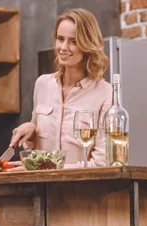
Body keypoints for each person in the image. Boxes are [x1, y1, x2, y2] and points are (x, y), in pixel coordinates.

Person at [9, 8, 112, 169]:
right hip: (41, 191)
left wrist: (48, 168)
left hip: (81, 191)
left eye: (73, 41)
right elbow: (37, 151)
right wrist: (32, 131)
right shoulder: (42, 84)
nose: (63, 47)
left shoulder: (105, 93)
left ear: (88, 44)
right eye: (60, 39)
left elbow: (102, 163)